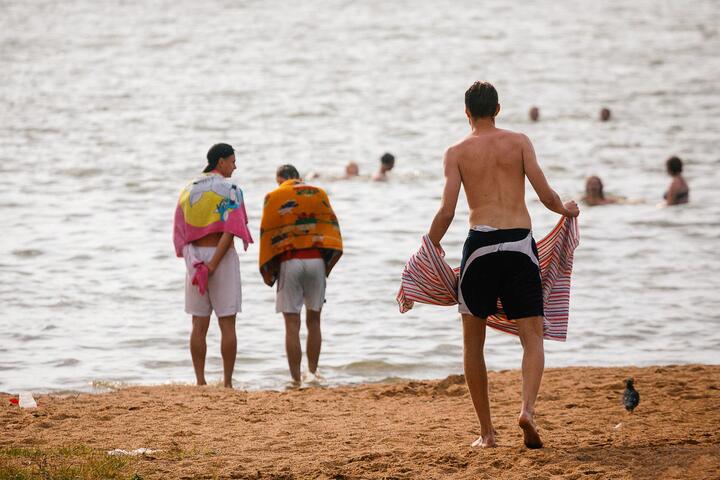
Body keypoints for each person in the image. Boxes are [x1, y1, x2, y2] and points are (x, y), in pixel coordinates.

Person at [427, 81, 579, 449]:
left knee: (473, 345)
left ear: (467, 113)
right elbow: (545, 195)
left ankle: (487, 433)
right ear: (498, 109)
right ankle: (527, 409)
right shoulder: (519, 142)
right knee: (532, 337)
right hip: (518, 245)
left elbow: (447, 211)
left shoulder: (457, 152)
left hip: (478, 247)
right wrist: (566, 210)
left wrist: (428, 248)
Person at [173, 143, 253, 388]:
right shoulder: (231, 189)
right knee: (227, 323)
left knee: (199, 324)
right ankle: (227, 383)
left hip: (195, 257)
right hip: (222, 258)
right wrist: (213, 265)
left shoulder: (189, 189)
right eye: (232, 161)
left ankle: (200, 382)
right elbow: (232, 230)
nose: (235, 166)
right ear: (221, 162)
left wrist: (199, 265)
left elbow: (181, 232)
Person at [259, 165, 343, 384]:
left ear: (280, 179)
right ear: (297, 177)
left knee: (291, 325)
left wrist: (271, 271)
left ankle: (296, 379)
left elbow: (267, 234)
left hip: (290, 261)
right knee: (314, 321)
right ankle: (313, 374)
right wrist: (327, 268)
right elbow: (332, 229)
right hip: (316, 261)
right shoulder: (319, 193)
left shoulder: (273, 196)